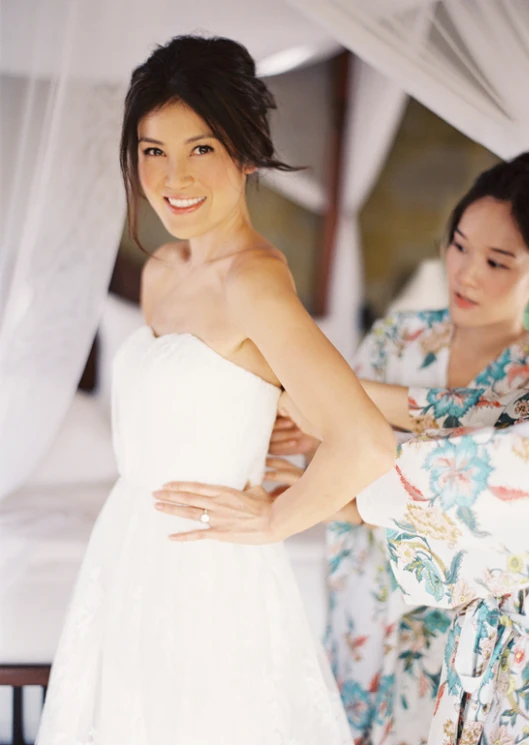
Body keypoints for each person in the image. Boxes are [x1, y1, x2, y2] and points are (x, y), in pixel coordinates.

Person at [36, 35, 397, 745]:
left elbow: (365, 442)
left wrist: (274, 520)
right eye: (152, 150)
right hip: (129, 547)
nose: (174, 176)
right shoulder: (161, 271)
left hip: (209, 569)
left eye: (200, 148)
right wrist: (255, 420)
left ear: (246, 152)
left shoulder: (254, 281)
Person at [161, 151, 529, 745]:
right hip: (366, 586)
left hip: (462, 610)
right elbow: (330, 445)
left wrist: (332, 427)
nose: (466, 273)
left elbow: (473, 474)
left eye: (498, 261)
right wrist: (303, 430)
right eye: (460, 246)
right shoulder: (399, 336)